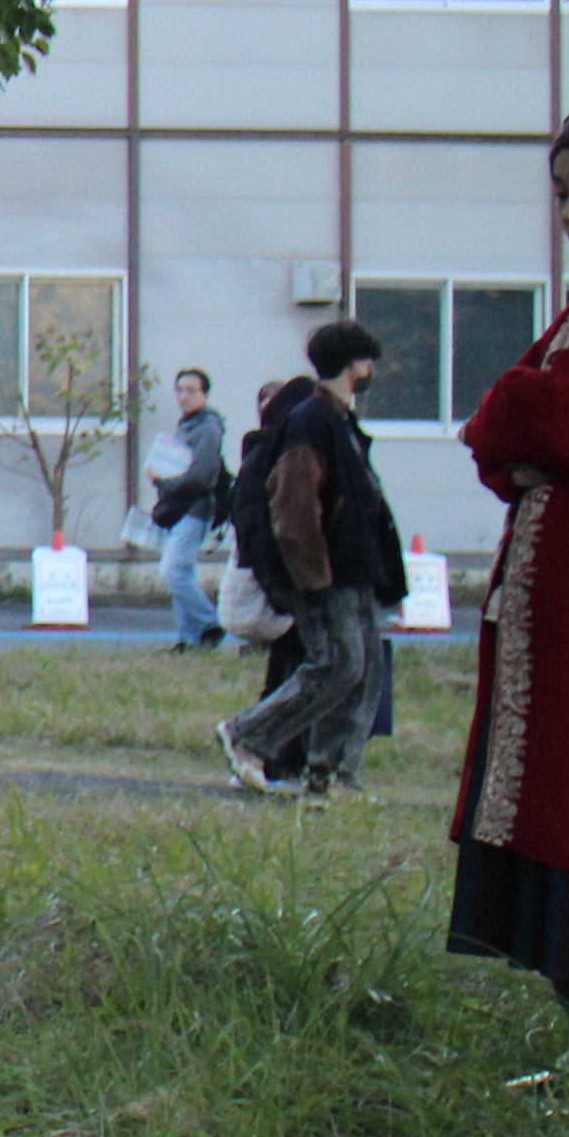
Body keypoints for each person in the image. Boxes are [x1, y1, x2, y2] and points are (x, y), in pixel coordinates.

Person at [447, 96, 569, 1056]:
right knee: (564, 806)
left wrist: (521, 407)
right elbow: (493, 436)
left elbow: (553, 421)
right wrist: (520, 413)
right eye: (561, 194)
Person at [216, 320, 402, 799]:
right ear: (353, 364)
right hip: (329, 573)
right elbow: (294, 506)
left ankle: (330, 776)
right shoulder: (311, 421)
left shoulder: (339, 421)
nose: (371, 369)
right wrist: (312, 577)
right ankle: (247, 734)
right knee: (337, 664)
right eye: (367, 360)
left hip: (355, 569)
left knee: (362, 670)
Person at [148, 368, 231, 651]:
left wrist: (163, 482)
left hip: (195, 508)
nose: (184, 396)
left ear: (204, 394)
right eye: (180, 390)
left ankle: (210, 622)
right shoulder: (189, 425)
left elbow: (202, 477)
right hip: (180, 508)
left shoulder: (208, 428)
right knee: (181, 572)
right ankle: (191, 639)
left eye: (191, 390)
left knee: (172, 571)